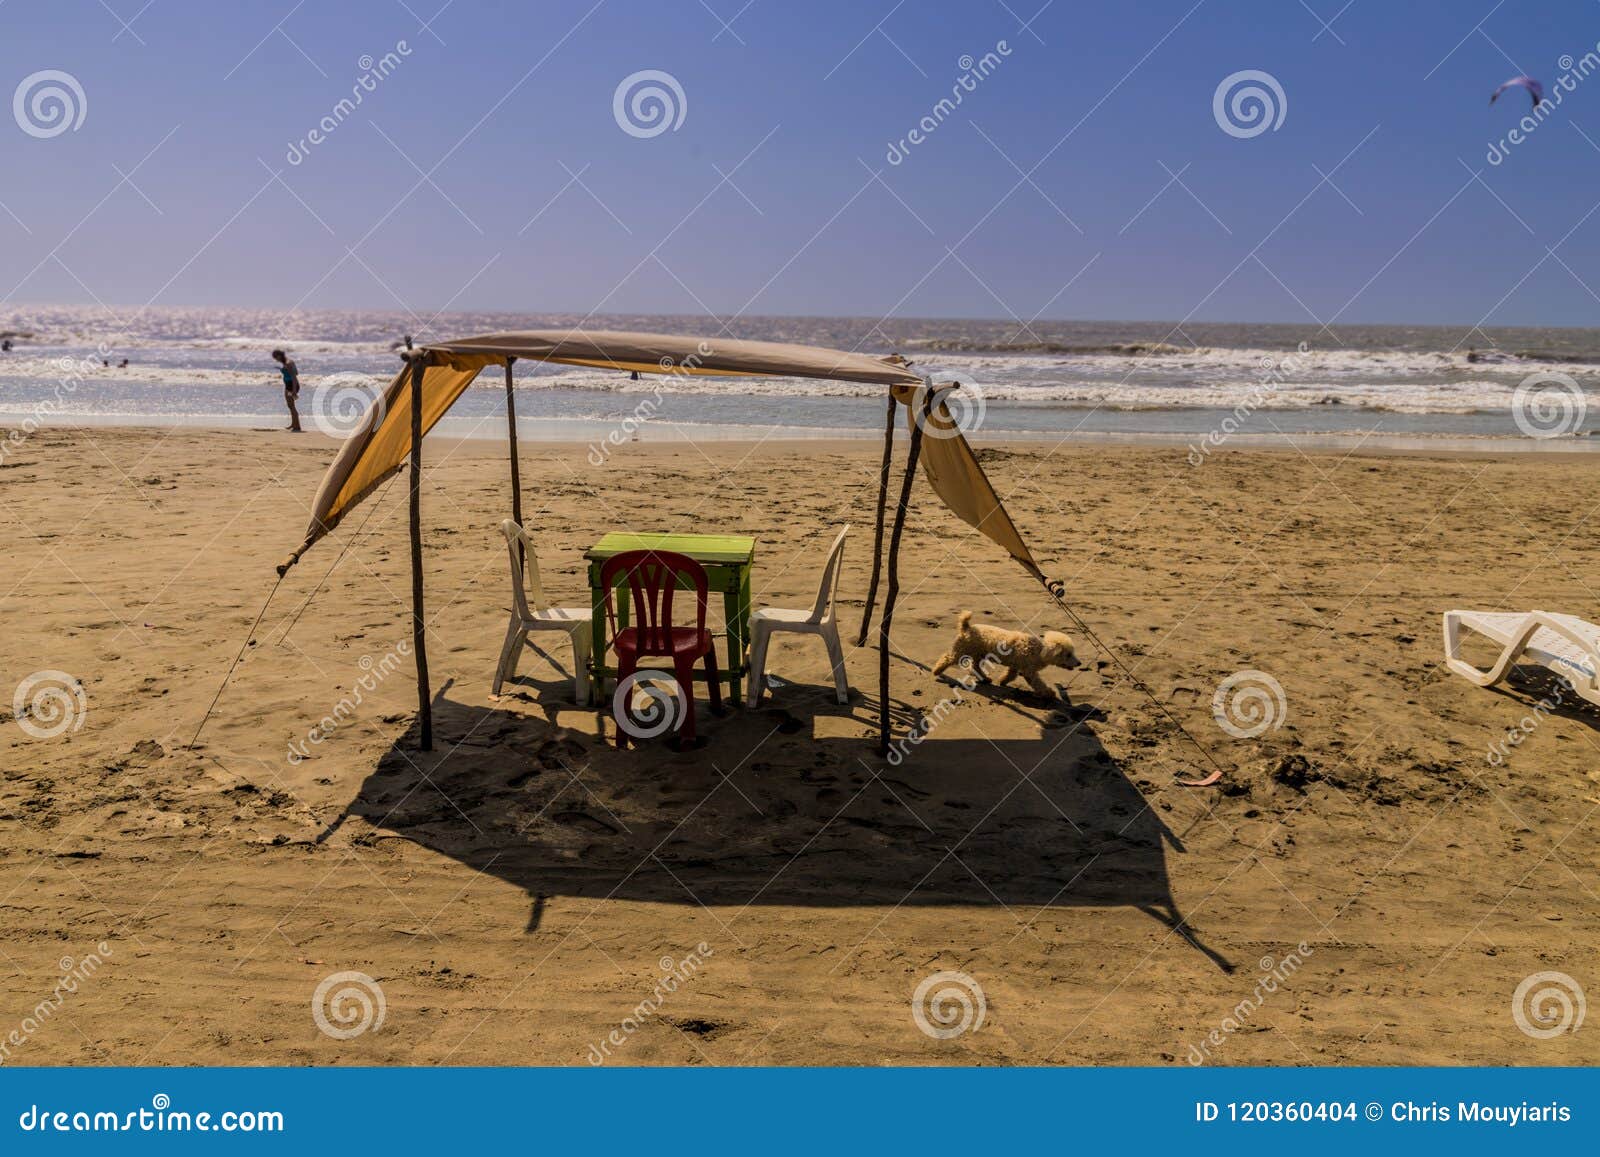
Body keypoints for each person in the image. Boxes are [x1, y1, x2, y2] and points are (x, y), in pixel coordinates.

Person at [272, 349, 303, 432]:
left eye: (276, 358)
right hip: (288, 385)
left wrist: (293, 391)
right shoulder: (287, 362)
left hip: (291, 386)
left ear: (279, 356)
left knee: (292, 406)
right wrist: (282, 369)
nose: (276, 360)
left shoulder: (288, 363)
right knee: (290, 405)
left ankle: (297, 426)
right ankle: (294, 424)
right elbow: (296, 372)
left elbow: (294, 377)